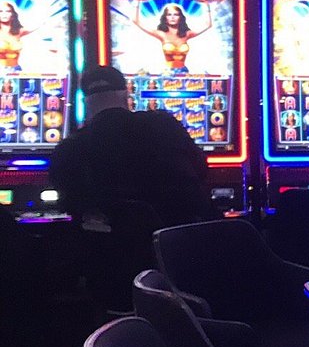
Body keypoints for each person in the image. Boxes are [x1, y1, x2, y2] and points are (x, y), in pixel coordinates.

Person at [49, 65, 213, 227]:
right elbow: (201, 170)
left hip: (108, 240)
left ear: (85, 103)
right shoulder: (164, 125)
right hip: (177, 235)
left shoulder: (70, 148)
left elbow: (68, 204)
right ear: (126, 95)